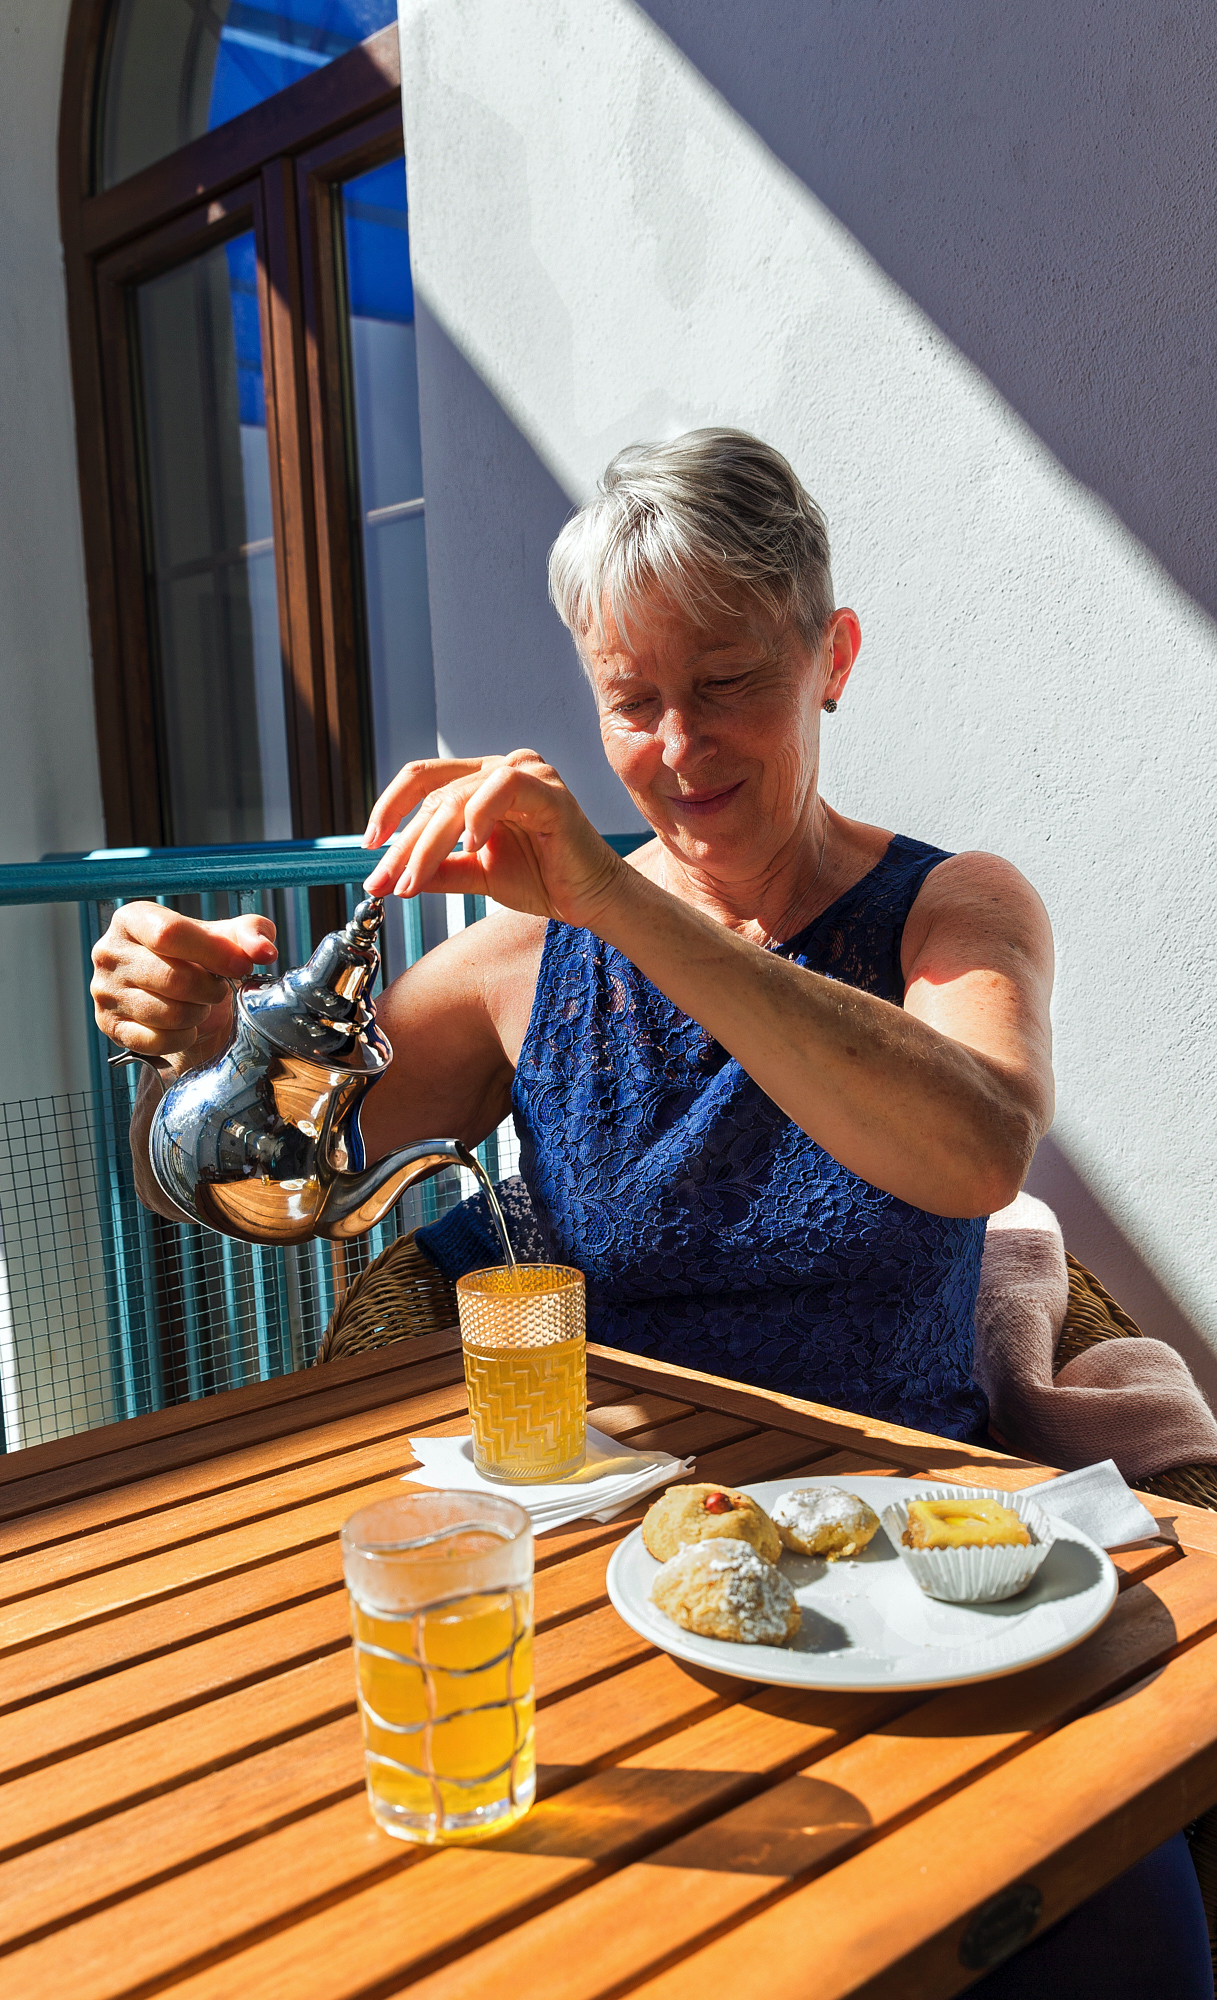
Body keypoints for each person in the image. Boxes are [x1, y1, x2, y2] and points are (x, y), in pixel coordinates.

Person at [92, 429, 1211, 1997]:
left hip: (936, 1583)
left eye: (729, 681)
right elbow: (286, 1174)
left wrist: (618, 898)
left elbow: (971, 1150)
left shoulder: (951, 912)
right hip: (641, 1582)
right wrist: (199, 1037)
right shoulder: (512, 969)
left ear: (833, 660)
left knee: (1119, 1926)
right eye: (631, 700)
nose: (677, 749)